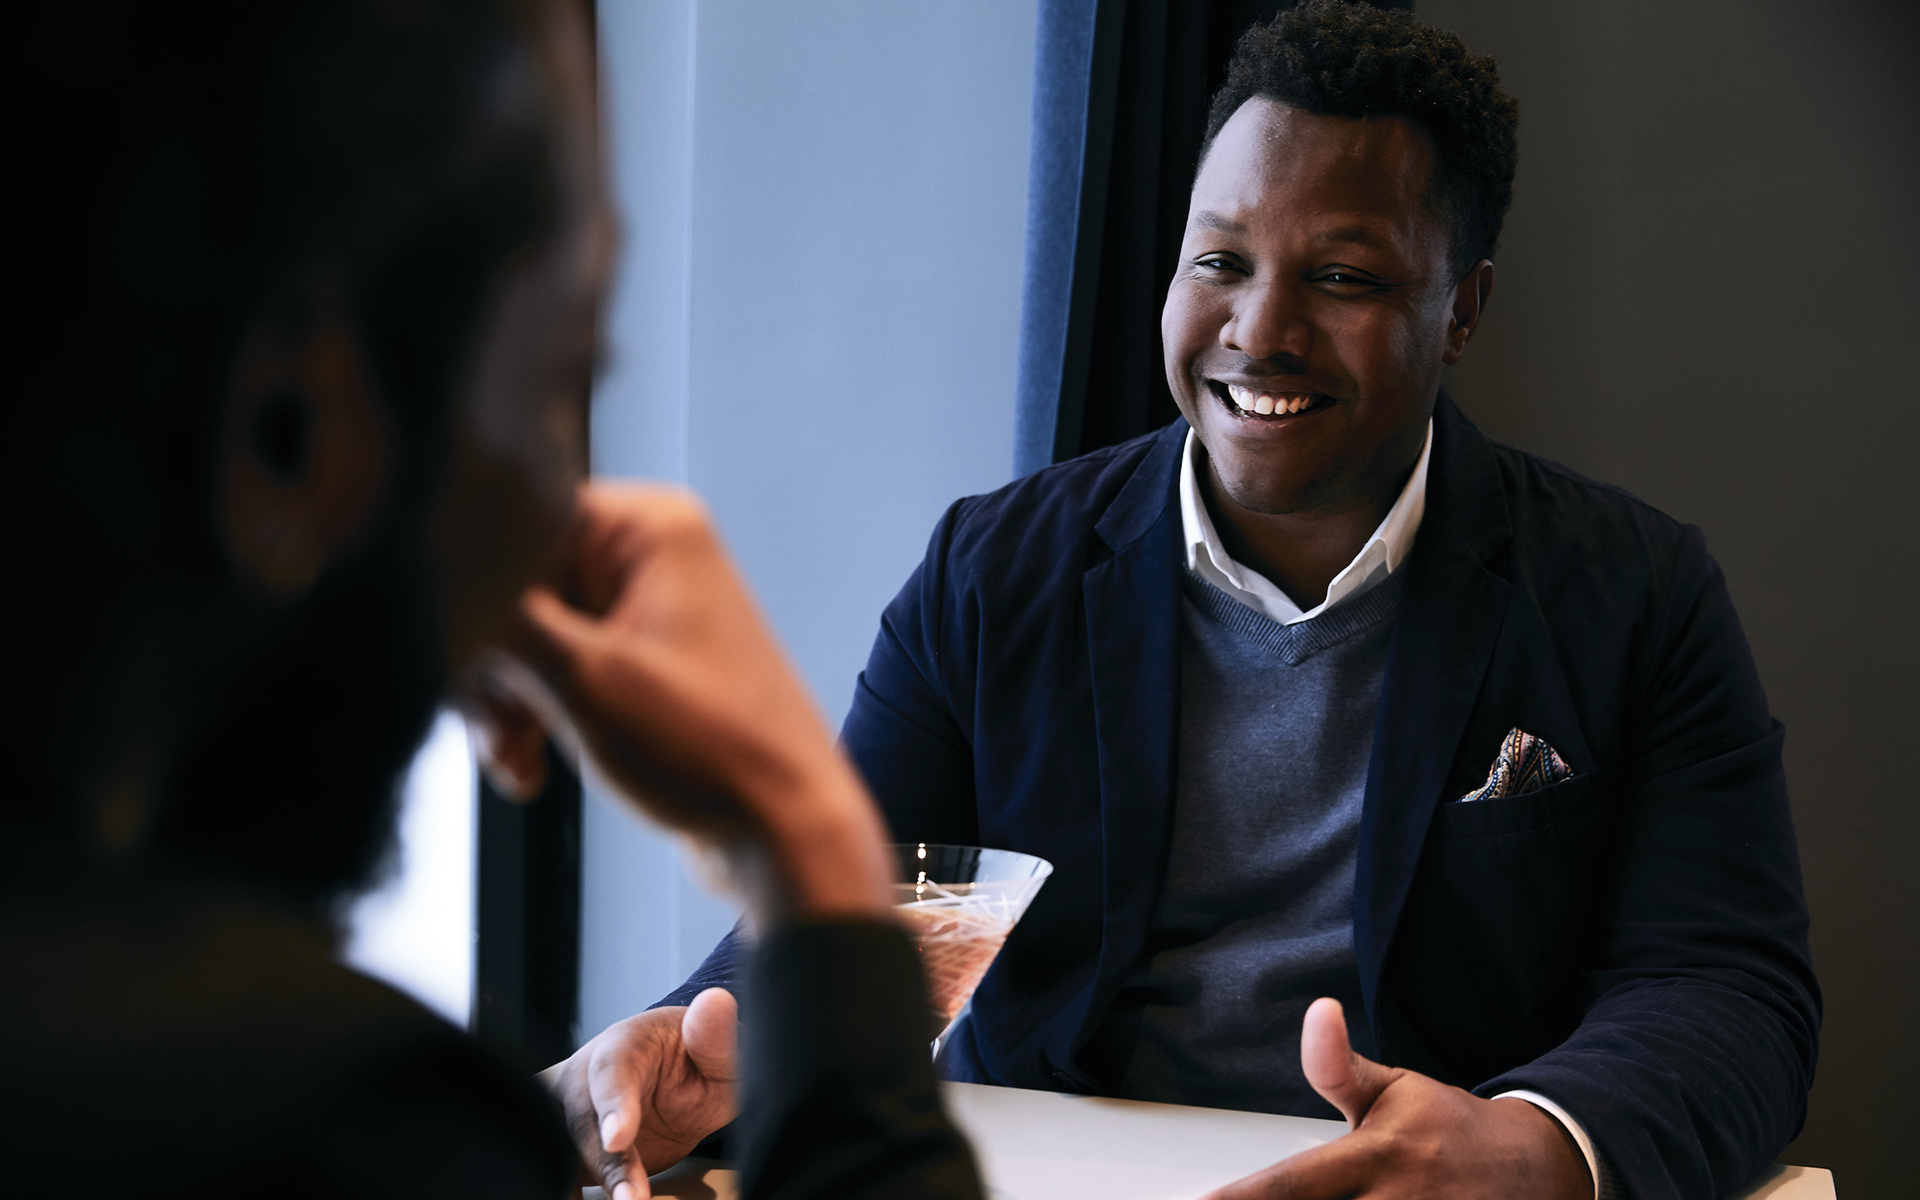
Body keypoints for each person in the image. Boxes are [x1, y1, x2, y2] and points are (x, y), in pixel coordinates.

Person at [588, 4, 1820, 1198]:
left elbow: (1727, 988)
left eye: (1343, 277)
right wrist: (694, 1054)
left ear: (1462, 311)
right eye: (1221, 261)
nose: (1262, 329)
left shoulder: (1636, 593)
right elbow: (860, 904)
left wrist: (1533, 1150)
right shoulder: (992, 568)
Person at [1, 2, 981, 1198]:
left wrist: (535, 1133)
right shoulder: (312, 1120)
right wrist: (808, 842)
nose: (569, 515)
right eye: (566, 374)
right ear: (288, 435)